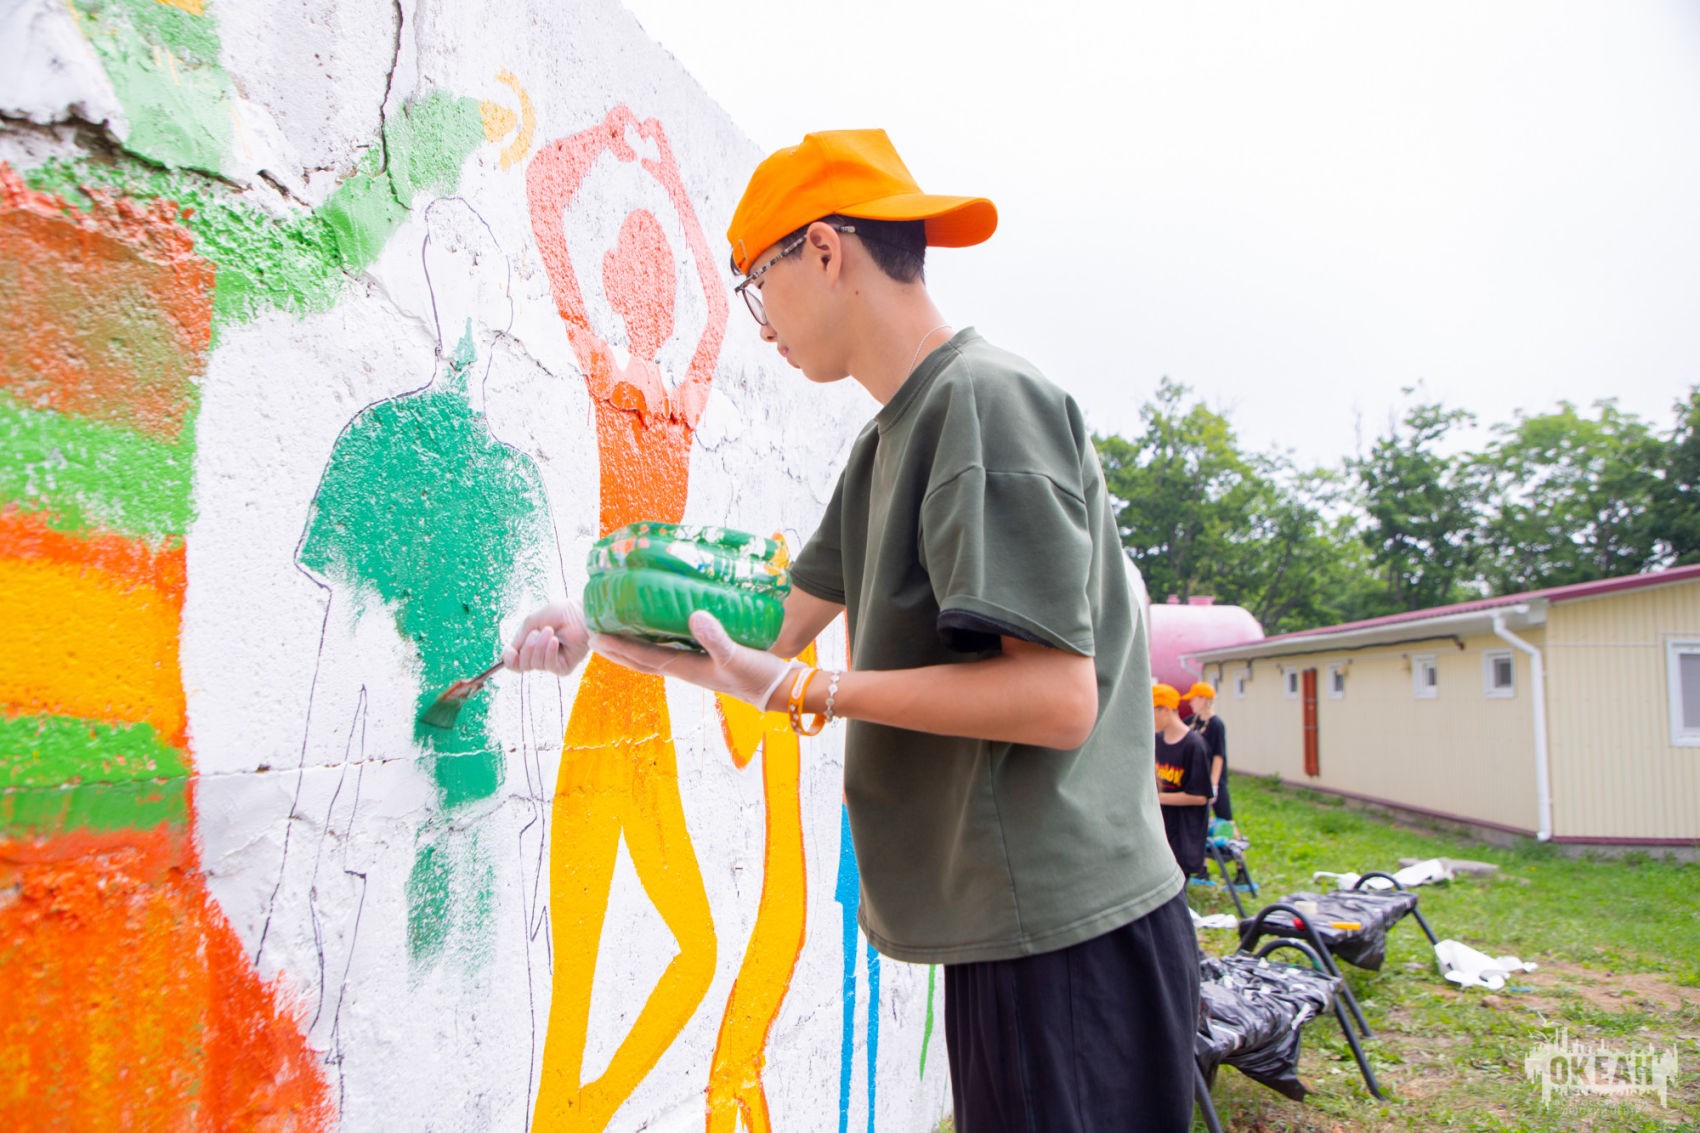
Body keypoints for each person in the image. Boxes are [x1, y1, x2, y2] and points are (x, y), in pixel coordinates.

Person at [508, 128, 1198, 1132]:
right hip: (1007, 928)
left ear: (824, 251)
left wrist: (810, 694)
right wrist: (599, 627)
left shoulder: (984, 403)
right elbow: (768, 630)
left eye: (756, 286)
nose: (761, 330)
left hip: (1067, 935)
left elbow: (1057, 698)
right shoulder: (891, 438)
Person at [1153, 683, 1212, 880]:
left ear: (1166, 710)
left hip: (1184, 832)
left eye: (1152, 712)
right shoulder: (1157, 741)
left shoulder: (1194, 745)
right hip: (1163, 830)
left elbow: (1200, 797)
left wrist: (1156, 798)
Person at [1186, 680, 1234, 826]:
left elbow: (1218, 756)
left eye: (1194, 699)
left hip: (1213, 777)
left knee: (1225, 817)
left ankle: (1234, 838)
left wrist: (1214, 785)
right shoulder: (1192, 721)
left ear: (1204, 700)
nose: (1190, 703)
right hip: (1196, 776)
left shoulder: (1216, 724)